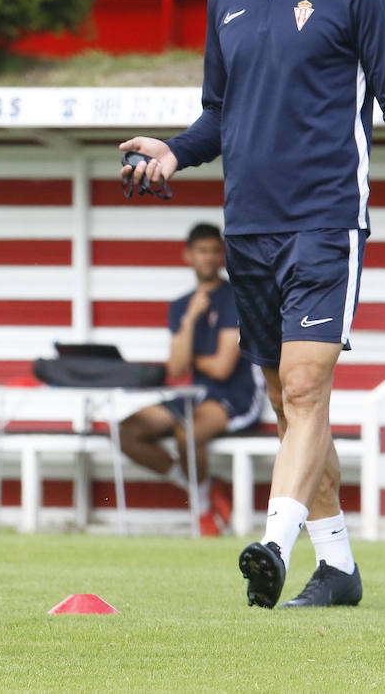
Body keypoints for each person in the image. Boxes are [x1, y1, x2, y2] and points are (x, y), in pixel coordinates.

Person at [121, 0, 385, 608]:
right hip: (248, 230)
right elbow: (219, 115)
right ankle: (338, 567)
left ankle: (273, 546)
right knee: (287, 404)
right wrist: (173, 154)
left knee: (309, 390)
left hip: (325, 222)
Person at [118, 222, 265, 536]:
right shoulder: (181, 306)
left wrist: (189, 358)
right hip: (197, 395)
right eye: (202, 251)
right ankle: (206, 487)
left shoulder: (234, 297)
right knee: (126, 431)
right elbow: (175, 369)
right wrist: (191, 318)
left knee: (187, 432)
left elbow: (222, 367)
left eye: (214, 251)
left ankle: (202, 514)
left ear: (222, 255)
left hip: (236, 396)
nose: (209, 258)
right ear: (188, 256)